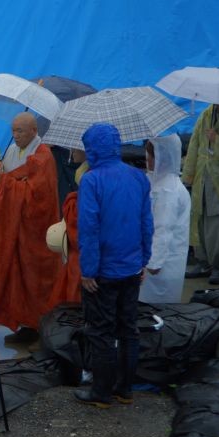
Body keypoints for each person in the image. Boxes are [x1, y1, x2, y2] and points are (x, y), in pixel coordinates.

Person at [74, 123, 153, 408]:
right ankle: (125, 389)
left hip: (103, 272)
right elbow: (147, 223)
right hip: (131, 267)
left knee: (101, 331)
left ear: (93, 148)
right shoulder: (138, 177)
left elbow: (89, 229)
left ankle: (101, 392)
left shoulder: (92, 180)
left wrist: (88, 270)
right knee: (128, 328)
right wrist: (144, 259)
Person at [0, 113, 61, 341]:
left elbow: (38, 196)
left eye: (21, 131)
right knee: (15, 276)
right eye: (14, 130)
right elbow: (10, 181)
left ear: (34, 131)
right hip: (14, 226)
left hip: (34, 230)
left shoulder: (43, 156)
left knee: (33, 278)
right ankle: (23, 324)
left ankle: (37, 326)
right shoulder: (11, 151)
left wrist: (4, 180)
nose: (15, 135)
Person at [182, 104, 219, 286]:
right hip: (201, 176)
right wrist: (188, 174)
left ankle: (218, 266)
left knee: (218, 223)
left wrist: (217, 139)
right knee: (199, 219)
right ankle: (202, 262)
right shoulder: (206, 113)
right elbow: (194, 144)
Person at [142, 135, 191, 303]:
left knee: (157, 314)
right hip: (156, 259)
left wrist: (153, 263)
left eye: (152, 156)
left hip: (161, 265)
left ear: (164, 156)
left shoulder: (169, 190)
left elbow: (163, 228)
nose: (147, 159)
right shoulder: (158, 181)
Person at [47, 148, 88, 310]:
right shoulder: (83, 170)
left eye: (77, 148)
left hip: (83, 255)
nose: (72, 151)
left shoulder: (90, 177)